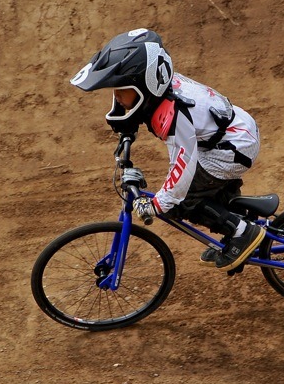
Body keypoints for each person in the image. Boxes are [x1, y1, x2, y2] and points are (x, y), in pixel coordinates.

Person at [70, 28, 264, 272]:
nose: (117, 97)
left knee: (181, 203)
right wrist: (127, 131)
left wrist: (159, 204)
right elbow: (140, 110)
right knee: (200, 194)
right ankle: (235, 221)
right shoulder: (159, 87)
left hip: (233, 148)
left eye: (122, 91)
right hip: (230, 133)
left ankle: (243, 232)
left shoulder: (174, 114)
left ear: (144, 87)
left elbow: (182, 166)